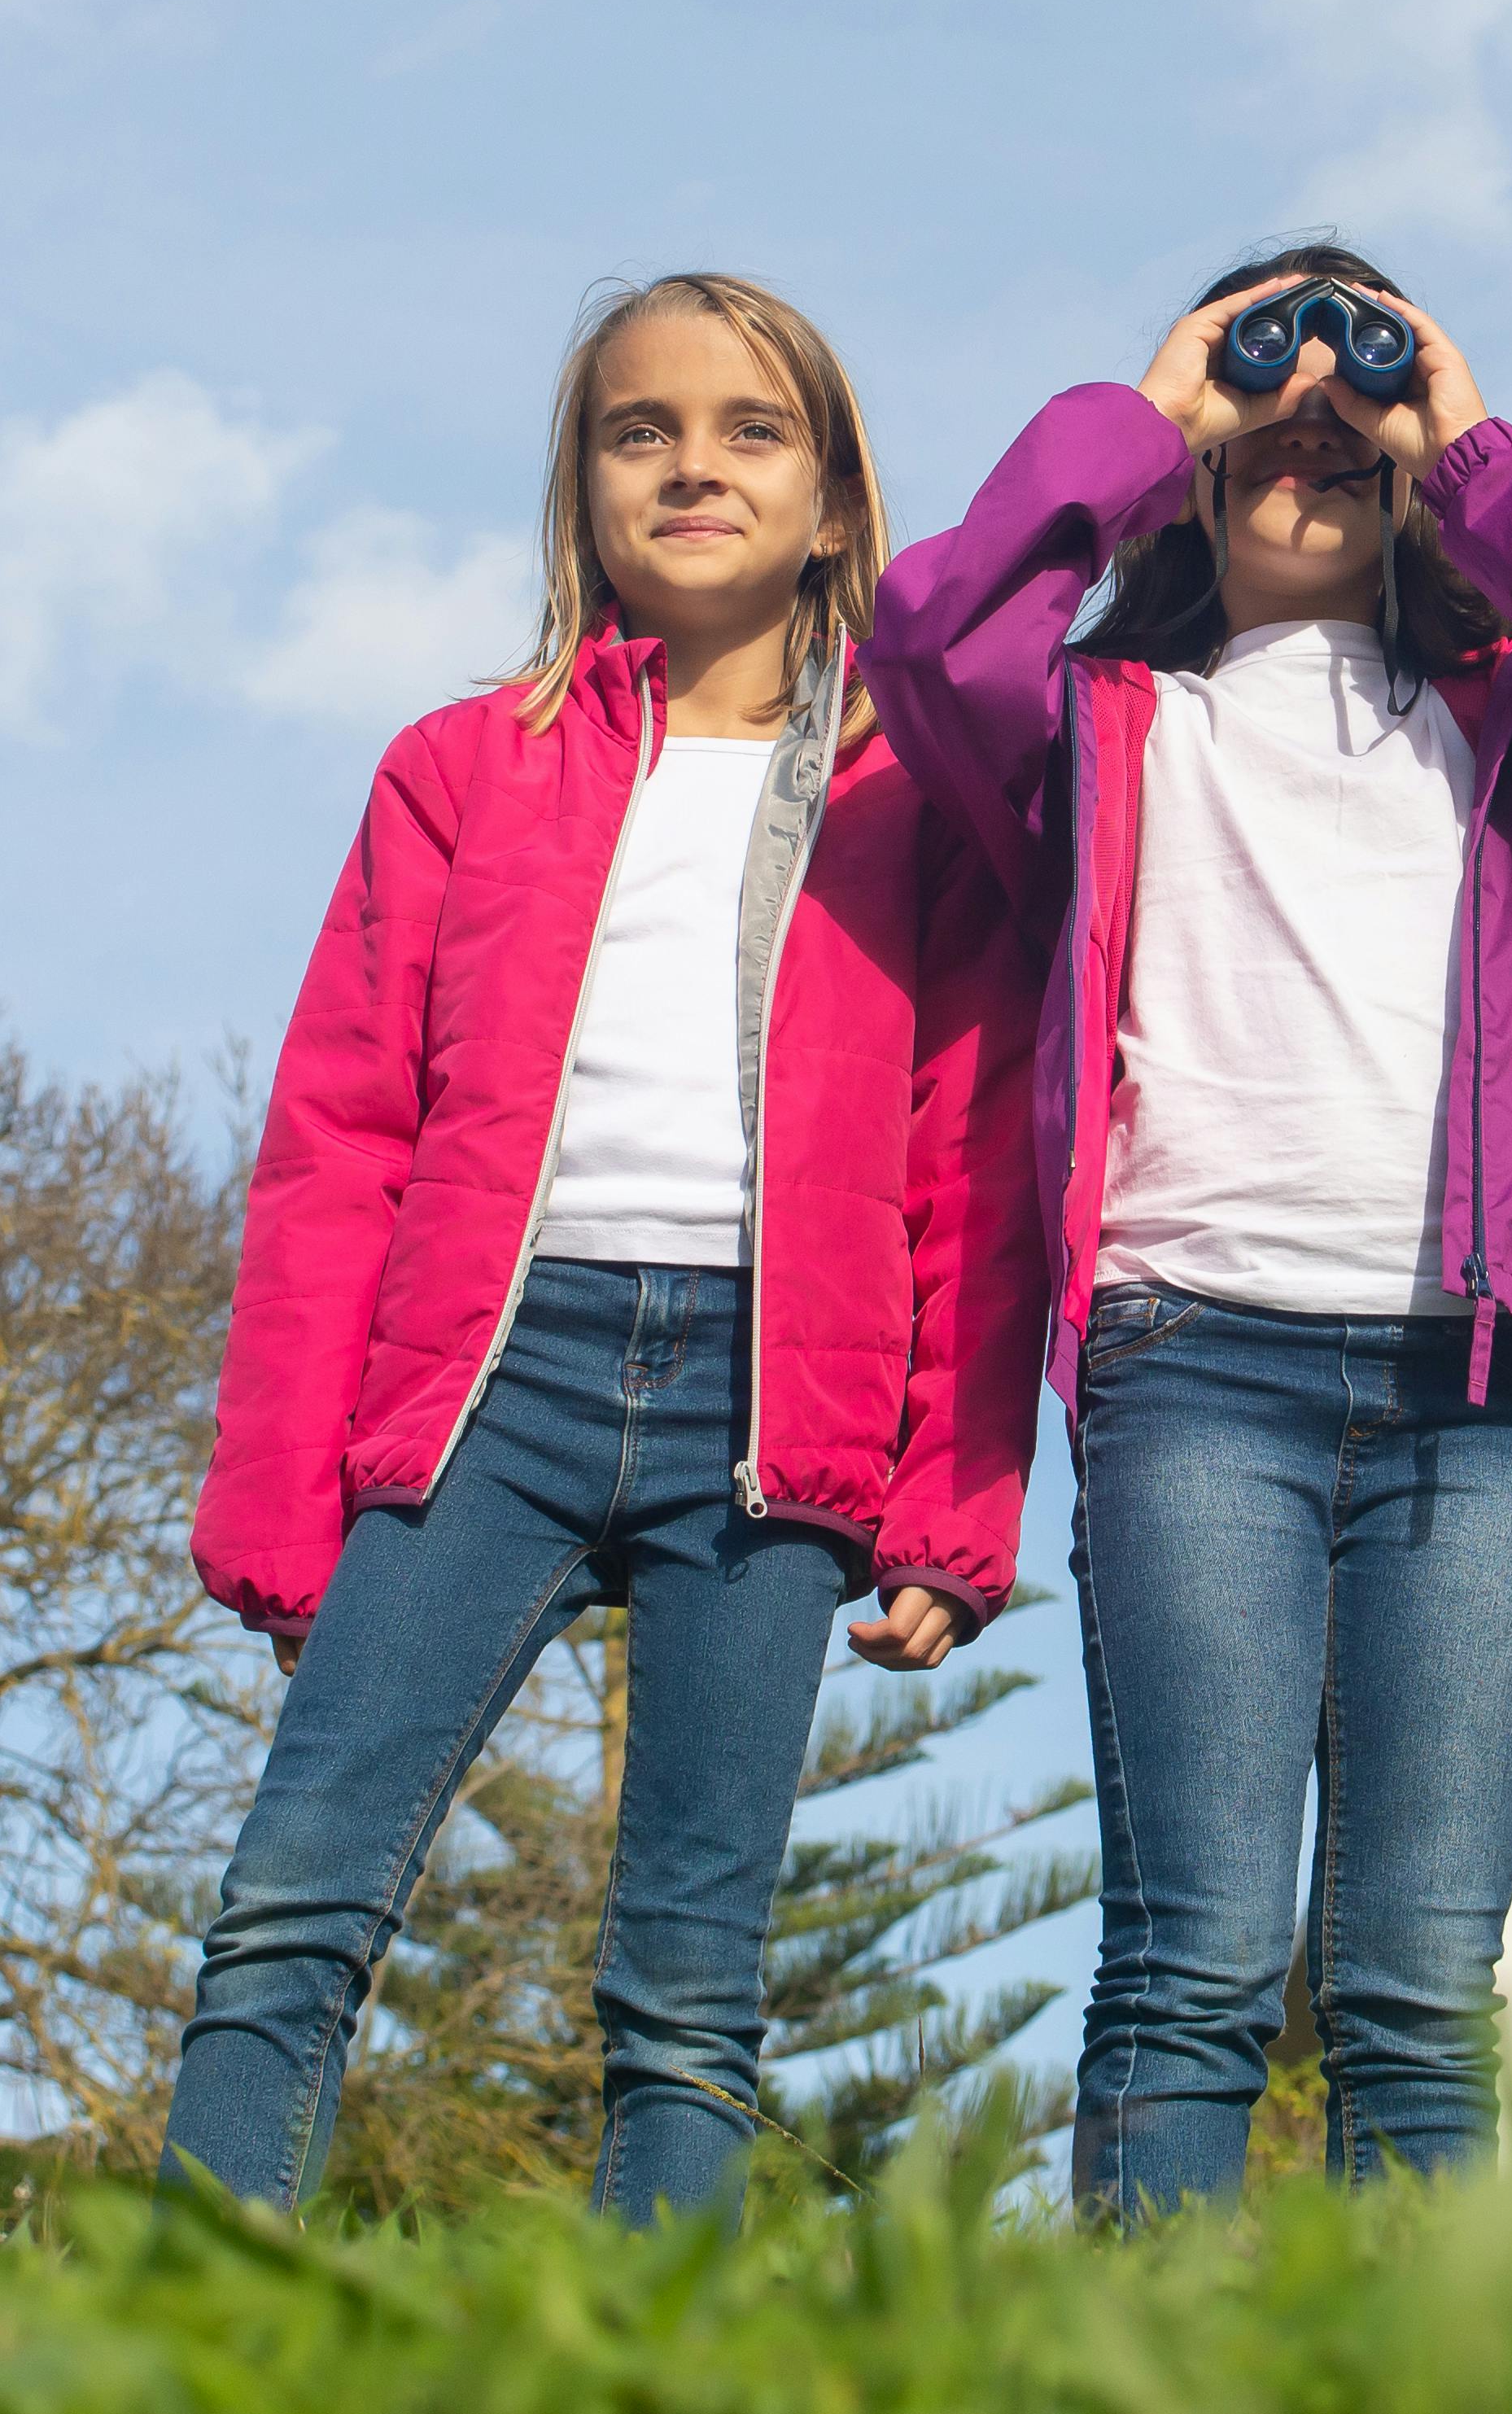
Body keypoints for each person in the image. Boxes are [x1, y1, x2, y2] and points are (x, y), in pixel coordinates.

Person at [864, 250, 1512, 2214]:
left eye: (1360, 371)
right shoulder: (1100, 727)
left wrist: (1475, 441)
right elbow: (929, 644)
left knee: (1422, 1990)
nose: (1311, 413)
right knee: (1187, 1958)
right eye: (1265, 367)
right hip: (1196, 1365)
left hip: (1470, 1387)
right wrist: (1143, 413)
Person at [164, 272, 1043, 2228]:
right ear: (579, 492)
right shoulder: (460, 765)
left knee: (689, 1984)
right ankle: (190, 2323)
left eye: (750, 430)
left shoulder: (925, 789)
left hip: (773, 1404)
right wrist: (277, 1499)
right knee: (293, 1899)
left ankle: (659, 2362)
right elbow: (335, 1145)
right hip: (488, 1387)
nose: (692, 465)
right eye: (639, 431)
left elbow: (974, 1165)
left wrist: (950, 1505)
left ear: (831, 499)